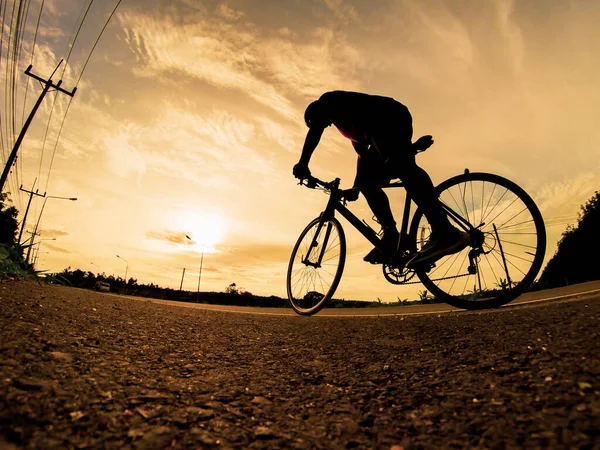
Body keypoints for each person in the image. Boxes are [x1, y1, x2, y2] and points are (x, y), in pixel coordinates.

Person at [293, 90, 469, 267]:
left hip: (387, 118)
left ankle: (444, 230)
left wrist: (303, 163)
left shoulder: (328, 100)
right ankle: (391, 235)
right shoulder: (351, 127)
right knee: (369, 183)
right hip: (386, 124)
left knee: (402, 166)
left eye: (318, 122)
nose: (326, 126)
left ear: (315, 113)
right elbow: (363, 158)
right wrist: (356, 188)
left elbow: (315, 131)